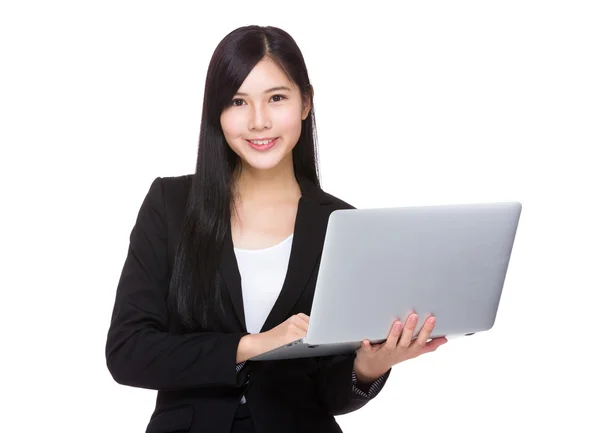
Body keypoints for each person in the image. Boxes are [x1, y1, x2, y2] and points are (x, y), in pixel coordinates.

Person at [105, 25, 448, 433]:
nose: (258, 121)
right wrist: (251, 345)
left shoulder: (342, 226)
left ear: (305, 103)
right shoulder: (170, 204)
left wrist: (369, 367)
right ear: (216, 111)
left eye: (277, 98)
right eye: (237, 101)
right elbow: (128, 352)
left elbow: (328, 394)